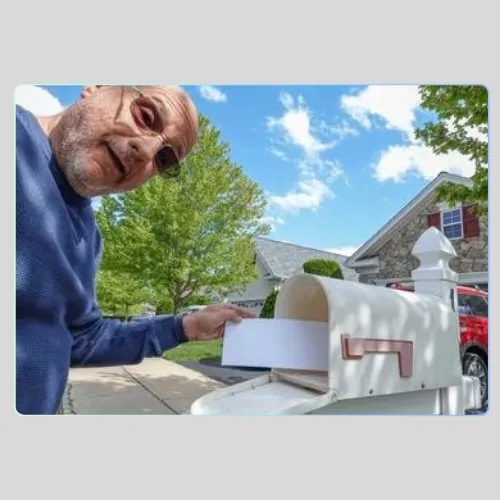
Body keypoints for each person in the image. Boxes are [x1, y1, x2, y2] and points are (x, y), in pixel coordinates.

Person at [16, 85, 255, 415]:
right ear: (95, 88)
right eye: (146, 117)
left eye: (164, 158)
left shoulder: (90, 239)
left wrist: (185, 326)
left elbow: (82, 340)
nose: (146, 152)